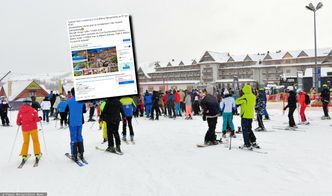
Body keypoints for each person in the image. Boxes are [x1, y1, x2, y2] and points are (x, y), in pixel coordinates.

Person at [16, 97, 42, 162]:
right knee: (35, 141)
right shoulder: (33, 110)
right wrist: (40, 118)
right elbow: (36, 119)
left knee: (25, 142)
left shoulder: (20, 111)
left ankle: (24, 156)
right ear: (30, 103)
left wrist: (20, 123)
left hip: (25, 129)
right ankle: (37, 154)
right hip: (33, 128)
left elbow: (18, 122)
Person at [65, 88, 87, 161]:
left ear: (71, 93)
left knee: (73, 137)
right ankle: (81, 153)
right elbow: (84, 111)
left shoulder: (69, 101)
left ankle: (74, 154)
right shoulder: (82, 101)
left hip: (72, 121)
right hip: (79, 121)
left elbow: (65, 110)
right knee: (79, 136)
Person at [236, 84, 259, 150]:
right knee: (249, 129)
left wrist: (241, 96)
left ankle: (247, 144)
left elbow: (237, 102)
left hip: (245, 115)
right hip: (250, 115)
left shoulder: (245, 97)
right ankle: (253, 141)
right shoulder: (253, 96)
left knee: (245, 130)